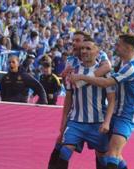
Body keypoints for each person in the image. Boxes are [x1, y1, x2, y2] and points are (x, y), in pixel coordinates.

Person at [70, 34, 134, 169]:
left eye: (118, 45)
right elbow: (99, 55)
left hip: (127, 115)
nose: (116, 47)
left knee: (112, 155)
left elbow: (106, 82)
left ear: (127, 48)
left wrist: (81, 77)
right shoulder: (121, 62)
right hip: (115, 111)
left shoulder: (132, 67)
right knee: (109, 154)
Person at [48, 38, 115, 169]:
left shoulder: (106, 72)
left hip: (97, 122)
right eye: (82, 48)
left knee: (102, 158)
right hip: (76, 121)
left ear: (97, 52)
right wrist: (64, 121)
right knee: (64, 151)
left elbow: (112, 99)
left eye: (88, 48)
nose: (84, 51)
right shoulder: (72, 71)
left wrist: (107, 122)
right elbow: (68, 98)